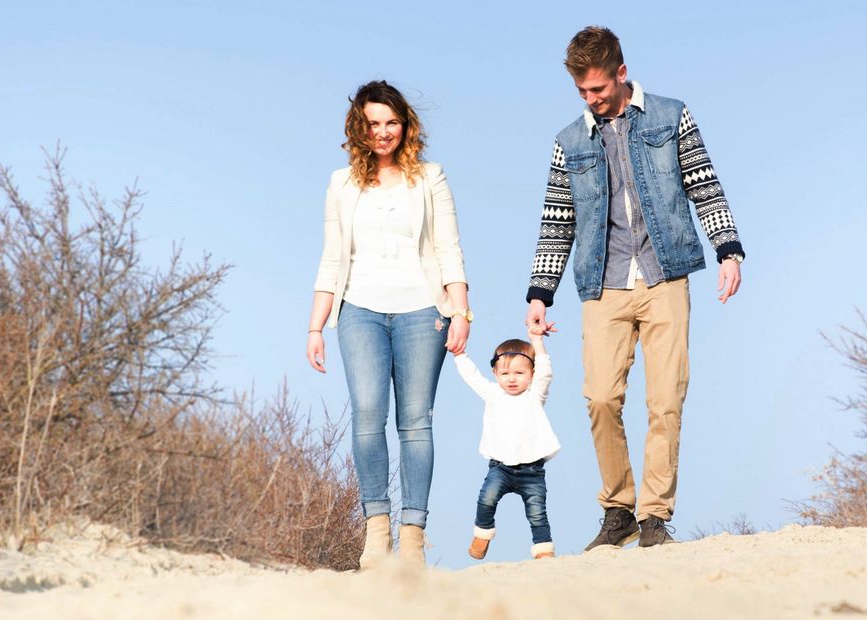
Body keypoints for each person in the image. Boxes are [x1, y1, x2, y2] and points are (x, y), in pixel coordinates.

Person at [525, 27, 746, 550]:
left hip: (665, 273)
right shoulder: (569, 141)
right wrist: (540, 292)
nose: (591, 99)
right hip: (604, 282)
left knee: (665, 400)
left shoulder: (672, 116)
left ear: (621, 74)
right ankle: (618, 507)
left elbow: (703, 182)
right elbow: (557, 223)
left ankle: (653, 516)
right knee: (601, 397)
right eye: (582, 91)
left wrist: (728, 250)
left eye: (598, 88)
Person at [307, 80, 472, 569]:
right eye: (373, 124)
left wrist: (460, 311)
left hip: (424, 311)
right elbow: (333, 258)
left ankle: (414, 539)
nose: (383, 133)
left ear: (406, 125)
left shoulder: (431, 177)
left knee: (416, 423)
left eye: (391, 123)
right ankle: (376, 534)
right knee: (367, 416)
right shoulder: (341, 183)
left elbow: (448, 248)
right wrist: (316, 326)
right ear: (360, 128)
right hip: (359, 310)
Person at [453, 329, 560, 561]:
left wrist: (537, 341)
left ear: (532, 373)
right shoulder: (493, 394)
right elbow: (473, 377)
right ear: (495, 373)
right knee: (486, 499)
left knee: (537, 513)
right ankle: (482, 534)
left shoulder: (535, 395)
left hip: (532, 471)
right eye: (504, 373)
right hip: (500, 468)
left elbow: (546, 373)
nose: (511, 379)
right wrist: (459, 355)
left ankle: (543, 551)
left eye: (520, 372)